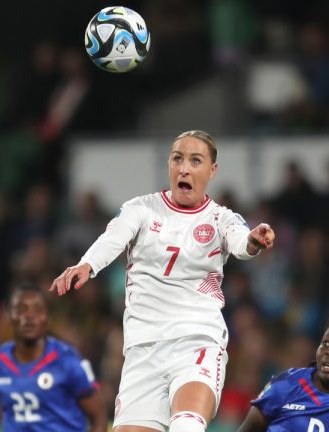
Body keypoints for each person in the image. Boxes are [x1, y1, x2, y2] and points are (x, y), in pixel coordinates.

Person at [50, 130, 275, 432]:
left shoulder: (221, 219)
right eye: (177, 159)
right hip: (142, 350)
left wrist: (253, 240)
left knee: (186, 427)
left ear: (212, 170)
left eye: (195, 161)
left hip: (196, 341)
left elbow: (241, 243)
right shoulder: (141, 208)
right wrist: (86, 265)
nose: (184, 168)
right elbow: (112, 238)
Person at [0, 283, 107, 432]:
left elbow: (99, 418)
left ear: (47, 317)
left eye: (37, 310)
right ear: (8, 315)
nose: (29, 316)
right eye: (21, 309)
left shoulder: (68, 361)